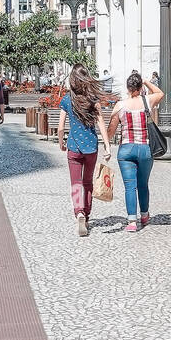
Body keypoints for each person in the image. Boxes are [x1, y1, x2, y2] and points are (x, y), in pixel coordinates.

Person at [57, 67, 112, 237]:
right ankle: (86, 215)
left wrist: (61, 141)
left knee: (76, 183)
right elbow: (101, 122)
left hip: (74, 147)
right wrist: (107, 146)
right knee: (88, 183)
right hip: (91, 147)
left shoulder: (67, 100)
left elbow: (60, 127)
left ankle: (79, 212)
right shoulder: (93, 99)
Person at [107, 71, 163, 232]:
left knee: (129, 186)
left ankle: (132, 221)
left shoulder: (120, 106)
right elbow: (160, 93)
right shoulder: (147, 101)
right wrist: (146, 81)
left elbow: (111, 129)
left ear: (127, 88)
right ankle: (144, 215)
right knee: (143, 184)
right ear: (139, 87)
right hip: (145, 148)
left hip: (126, 149)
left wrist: (106, 145)